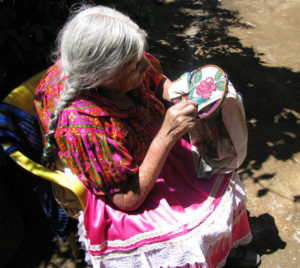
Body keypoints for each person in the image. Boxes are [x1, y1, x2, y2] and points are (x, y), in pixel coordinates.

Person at [34, 5, 259, 268]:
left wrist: (181, 93)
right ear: (99, 77)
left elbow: (157, 80)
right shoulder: (81, 126)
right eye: (132, 67)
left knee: (222, 167)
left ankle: (224, 250)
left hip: (153, 146)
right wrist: (166, 135)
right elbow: (126, 199)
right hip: (128, 183)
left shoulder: (128, 59)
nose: (144, 65)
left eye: (140, 56)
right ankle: (208, 257)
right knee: (186, 232)